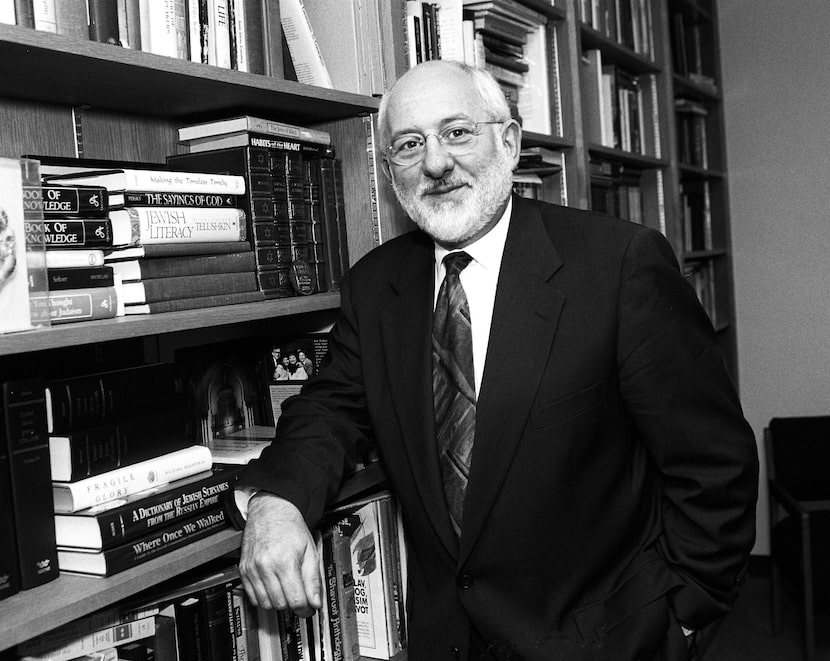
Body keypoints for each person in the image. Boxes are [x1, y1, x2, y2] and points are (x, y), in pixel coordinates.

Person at [233, 60, 758, 661]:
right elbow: (329, 408)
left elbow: (714, 463)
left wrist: (682, 616)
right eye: (409, 145)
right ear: (388, 173)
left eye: (457, 132)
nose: (434, 162)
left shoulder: (618, 266)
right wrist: (276, 502)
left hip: (607, 641)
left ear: (508, 143)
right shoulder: (376, 287)